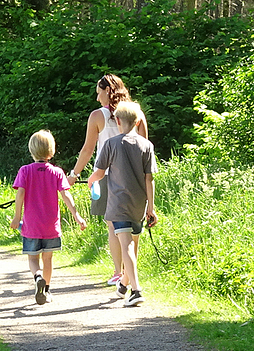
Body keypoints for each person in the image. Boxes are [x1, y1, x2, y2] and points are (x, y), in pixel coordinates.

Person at [67, 74, 148, 286]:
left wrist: (74, 175)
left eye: (99, 92)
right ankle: (130, 273)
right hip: (134, 175)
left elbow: (88, 149)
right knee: (132, 225)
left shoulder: (97, 116)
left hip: (106, 174)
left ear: (108, 91)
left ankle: (118, 271)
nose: (97, 98)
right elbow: (144, 144)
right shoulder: (137, 114)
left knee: (114, 225)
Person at [87, 101, 157, 307]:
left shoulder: (111, 144)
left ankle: (136, 290)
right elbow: (149, 179)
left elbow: (99, 173)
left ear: (117, 121)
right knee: (133, 246)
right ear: (137, 122)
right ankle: (124, 284)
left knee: (126, 246)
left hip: (118, 204)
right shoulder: (147, 145)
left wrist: (91, 180)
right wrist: (151, 208)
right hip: (139, 205)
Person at [11, 130, 87, 305]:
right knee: (48, 259)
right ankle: (47, 290)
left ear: (32, 150)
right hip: (51, 227)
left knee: (32, 258)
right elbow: (66, 195)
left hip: (31, 226)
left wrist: (16, 217)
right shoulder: (57, 172)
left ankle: (38, 277)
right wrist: (77, 215)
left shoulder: (25, 171)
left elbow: (20, 195)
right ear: (51, 151)